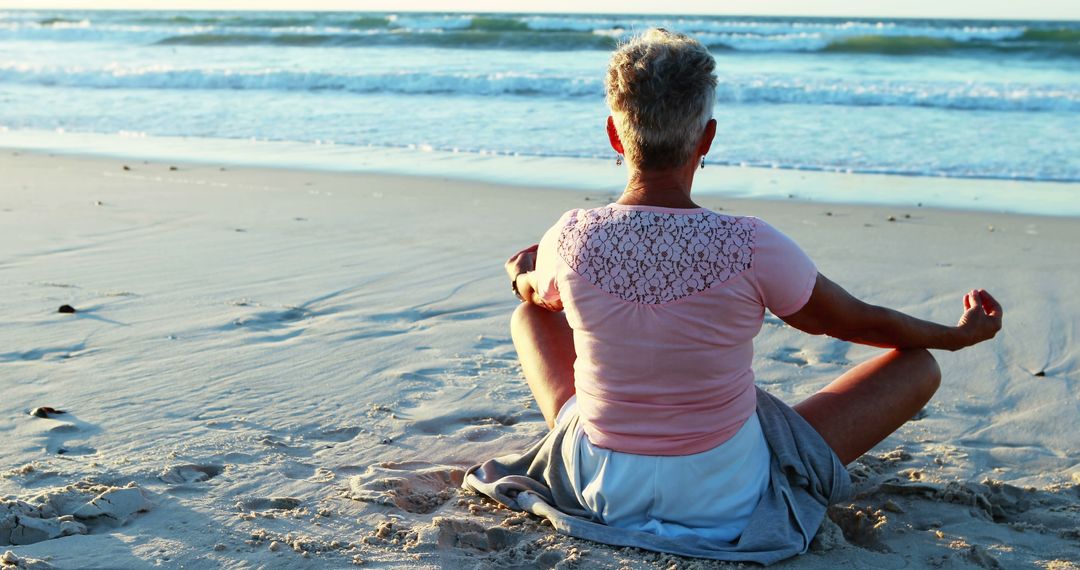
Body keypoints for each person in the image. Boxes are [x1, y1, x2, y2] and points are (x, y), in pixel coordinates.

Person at [468, 28, 1003, 562]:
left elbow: (535, 293)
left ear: (614, 134)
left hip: (603, 488)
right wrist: (956, 337)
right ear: (707, 138)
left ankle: (611, 440)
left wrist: (522, 274)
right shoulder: (752, 243)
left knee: (530, 316)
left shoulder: (571, 235)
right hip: (726, 498)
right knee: (918, 365)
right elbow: (856, 321)